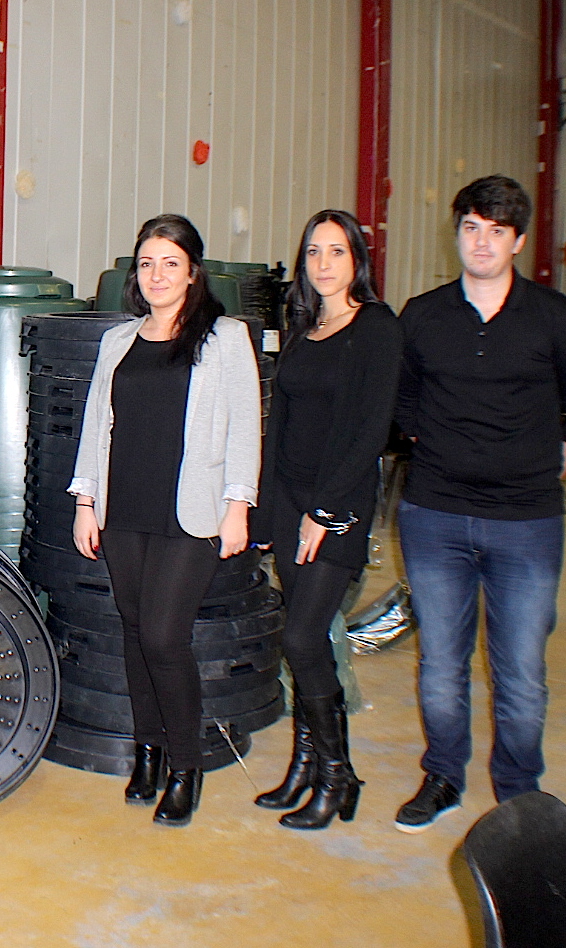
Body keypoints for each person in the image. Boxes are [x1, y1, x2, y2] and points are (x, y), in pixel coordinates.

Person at [393, 175, 566, 832]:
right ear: (456, 232)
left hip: (526, 524)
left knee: (520, 672)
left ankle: (517, 788)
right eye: (471, 228)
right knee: (441, 666)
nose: (481, 242)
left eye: (496, 231)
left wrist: (541, 469)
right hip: (433, 517)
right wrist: (442, 449)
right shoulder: (421, 315)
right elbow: (401, 402)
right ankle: (442, 777)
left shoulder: (555, 319)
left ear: (517, 240)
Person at [68, 214, 260, 827]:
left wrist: (238, 506)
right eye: (147, 263)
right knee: (132, 628)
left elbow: (244, 426)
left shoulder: (224, 337)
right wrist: (85, 501)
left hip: (192, 512)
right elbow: (98, 424)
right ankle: (146, 752)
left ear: (193, 272)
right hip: (126, 506)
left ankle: (186, 765)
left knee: (163, 636)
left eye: (170, 263)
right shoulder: (118, 341)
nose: (157, 275)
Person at [250, 210, 402, 829]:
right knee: (299, 634)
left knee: (303, 636)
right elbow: (280, 422)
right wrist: (266, 508)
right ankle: (306, 767)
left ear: (357, 261)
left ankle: (339, 776)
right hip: (288, 502)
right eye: (314, 251)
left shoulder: (377, 328)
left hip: (335, 507)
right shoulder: (304, 327)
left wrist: (325, 511)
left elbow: (370, 428)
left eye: (336, 251)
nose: (323, 263)